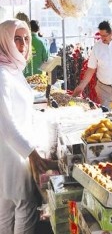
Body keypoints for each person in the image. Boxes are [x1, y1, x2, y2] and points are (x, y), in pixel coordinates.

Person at [0, 19, 56, 234]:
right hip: (13, 155)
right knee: (24, 207)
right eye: (16, 39)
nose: (23, 46)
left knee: (6, 210)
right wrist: (32, 154)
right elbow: (6, 124)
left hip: (14, 152)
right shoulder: (3, 75)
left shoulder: (11, 70)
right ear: (4, 41)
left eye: (26, 39)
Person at [72, 20, 112, 109]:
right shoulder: (97, 47)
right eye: (100, 35)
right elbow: (91, 69)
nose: (102, 38)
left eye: (104, 36)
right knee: (106, 117)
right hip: (103, 90)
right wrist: (81, 86)